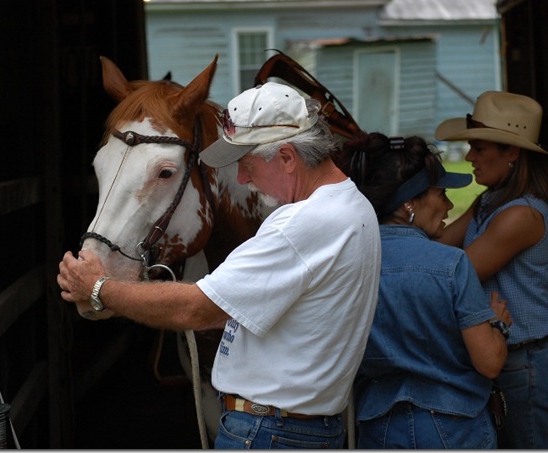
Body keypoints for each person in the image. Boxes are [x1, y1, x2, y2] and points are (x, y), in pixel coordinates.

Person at [57, 82, 382, 449]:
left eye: (246, 163)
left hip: (269, 434)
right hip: (287, 428)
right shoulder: (352, 206)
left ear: (288, 158)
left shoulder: (302, 225)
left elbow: (198, 310)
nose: (242, 179)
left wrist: (100, 288)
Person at [345, 133, 511, 449]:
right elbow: (489, 362)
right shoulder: (450, 264)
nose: (449, 205)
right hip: (454, 427)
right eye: (441, 193)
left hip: (378, 427)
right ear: (409, 201)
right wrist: (498, 326)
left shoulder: (347, 264)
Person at [435, 90, 548, 449]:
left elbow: (456, 274)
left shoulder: (520, 215)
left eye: (479, 149)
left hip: (532, 362)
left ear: (511, 152)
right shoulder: (488, 202)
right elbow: (439, 249)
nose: (469, 157)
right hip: (513, 358)